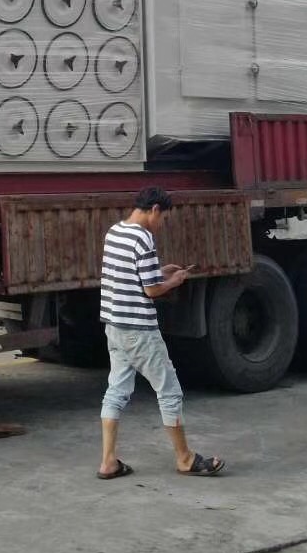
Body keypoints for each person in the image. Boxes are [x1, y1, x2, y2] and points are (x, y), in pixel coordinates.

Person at [96, 186, 225, 480]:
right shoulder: (144, 239)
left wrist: (159, 271)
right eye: (163, 218)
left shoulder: (115, 232)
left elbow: (128, 275)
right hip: (140, 331)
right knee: (169, 392)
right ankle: (185, 458)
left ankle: (108, 462)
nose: (161, 224)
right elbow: (151, 290)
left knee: (115, 391)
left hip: (114, 326)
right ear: (154, 209)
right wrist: (174, 280)